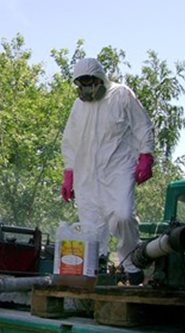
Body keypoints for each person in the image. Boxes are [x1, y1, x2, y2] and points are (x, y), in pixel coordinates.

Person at [61, 58, 154, 285]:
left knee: (122, 214)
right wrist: (69, 172)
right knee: (91, 225)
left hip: (118, 167)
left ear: (100, 79)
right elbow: (70, 140)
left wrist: (146, 154)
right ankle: (97, 267)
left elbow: (142, 124)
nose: (86, 88)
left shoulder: (121, 95)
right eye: (81, 84)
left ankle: (132, 263)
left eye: (90, 82)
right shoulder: (79, 106)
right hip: (86, 173)